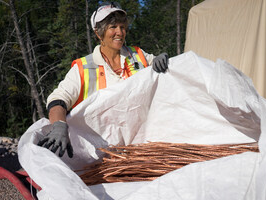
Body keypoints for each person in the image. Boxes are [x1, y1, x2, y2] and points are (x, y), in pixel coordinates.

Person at [37, 2, 169, 158]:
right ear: (98, 33)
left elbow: (158, 67)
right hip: (102, 153)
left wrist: (165, 60)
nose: (119, 32)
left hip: (143, 145)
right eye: (113, 27)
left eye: (122, 27)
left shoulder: (138, 56)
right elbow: (58, 99)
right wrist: (59, 125)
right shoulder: (84, 67)